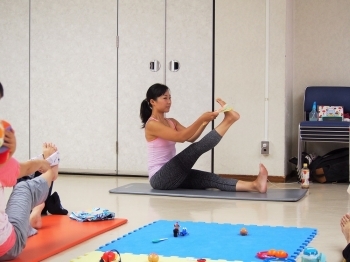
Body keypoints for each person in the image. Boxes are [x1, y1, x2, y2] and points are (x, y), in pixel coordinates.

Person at [139, 83, 268, 193]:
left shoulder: (171, 121)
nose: (169, 101)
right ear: (152, 102)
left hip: (173, 173)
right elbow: (181, 137)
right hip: (160, 178)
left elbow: (191, 137)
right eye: (165, 98)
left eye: (170, 98)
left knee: (211, 179)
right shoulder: (152, 124)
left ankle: (255, 185)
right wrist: (201, 118)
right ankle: (229, 120)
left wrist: (204, 123)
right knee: (196, 149)